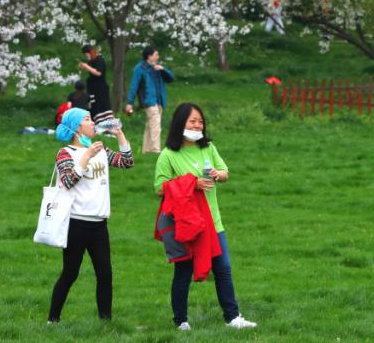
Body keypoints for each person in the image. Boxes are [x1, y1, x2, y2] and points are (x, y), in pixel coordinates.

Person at [153, 103, 257, 331]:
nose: (197, 125)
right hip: (186, 224)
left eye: (200, 121)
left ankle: (233, 318)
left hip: (213, 222)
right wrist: (192, 183)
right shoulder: (168, 155)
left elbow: (225, 173)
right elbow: (159, 187)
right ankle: (181, 321)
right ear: (181, 123)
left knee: (223, 268)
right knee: (183, 272)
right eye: (193, 121)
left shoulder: (208, 147)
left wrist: (218, 175)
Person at [48, 108, 134, 323]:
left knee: (105, 274)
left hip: (99, 224)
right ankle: (53, 320)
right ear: (77, 127)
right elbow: (68, 181)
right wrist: (86, 155)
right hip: (76, 223)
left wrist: (120, 135)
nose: (92, 122)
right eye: (87, 119)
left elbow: (127, 162)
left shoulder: (102, 150)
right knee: (70, 273)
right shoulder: (65, 153)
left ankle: (105, 322)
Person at [125, 45, 174, 154]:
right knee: (156, 125)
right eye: (156, 55)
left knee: (150, 126)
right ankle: (156, 150)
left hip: (159, 101)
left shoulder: (157, 68)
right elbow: (134, 86)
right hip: (148, 101)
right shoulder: (140, 68)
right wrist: (129, 103)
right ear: (149, 56)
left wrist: (163, 69)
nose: (158, 57)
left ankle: (146, 150)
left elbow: (171, 78)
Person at [78, 44, 113, 123]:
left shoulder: (99, 60)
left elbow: (98, 73)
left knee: (103, 108)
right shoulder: (92, 61)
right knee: (95, 107)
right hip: (93, 89)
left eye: (87, 54)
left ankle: (109, 127)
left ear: (90, 52)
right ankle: (98, 126)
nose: (86, 57)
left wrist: (87, 67)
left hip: (100, 89)